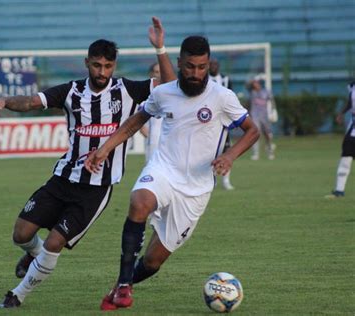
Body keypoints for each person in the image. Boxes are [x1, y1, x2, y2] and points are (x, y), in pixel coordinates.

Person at [0, 17, 175, 308]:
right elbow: (33, 101)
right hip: (63, 179)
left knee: (54, 243)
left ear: (114, 65)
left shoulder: (127, 90)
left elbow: (170, 86)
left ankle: (17, 294)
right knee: (21, 234)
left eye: (108, 66)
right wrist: (7, 100)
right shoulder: (71, 92)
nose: (102, 71)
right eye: (97, 65)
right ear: (87, 63)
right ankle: (33, 256)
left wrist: (160, 48)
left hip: (96, 189)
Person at [85, 35, 259, 311]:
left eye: (201, 67)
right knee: (139, 202)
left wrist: (229, 155)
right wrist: (105, 148)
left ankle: (123, 283)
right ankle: (123, 286)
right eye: (190, 66)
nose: (196, 73)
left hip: (196, 189)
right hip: (163, 170)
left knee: (153, 261)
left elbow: (253, 130)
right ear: (180, 63)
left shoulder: (222, 98)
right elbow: (135, 121)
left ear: (208, 65)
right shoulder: (164, 93)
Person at [325, 81, 355, 198]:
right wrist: (342, 113)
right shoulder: (352, 87)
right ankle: (339, 190)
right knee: (345, 158)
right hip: (352, 133)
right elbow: (350, 102)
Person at [209, 58, 235, 189]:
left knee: (226, 150)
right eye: (211, 64)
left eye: (215, 64)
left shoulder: (226, 79)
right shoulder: (204, 80)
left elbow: (231, 98)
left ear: (218, 66)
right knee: (209, 152)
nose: (213, 67)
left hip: (223, 123)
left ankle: (226, 181)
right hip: (208, 122)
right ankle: (210, 180)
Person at [247, 77, 276, 160]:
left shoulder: (266, 92)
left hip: (265, 117)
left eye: (256, 83)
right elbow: (247, 85)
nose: (255, 85)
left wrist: (273, 111)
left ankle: (270, 150)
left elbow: (272, 101)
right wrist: (252, 80)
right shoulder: (252, 92)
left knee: (267, 134)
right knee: (255, 134)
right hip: (255, 116)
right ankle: (255, 153)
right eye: (254, 83)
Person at [140, 62, 163, 162]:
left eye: (160, 72)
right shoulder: (145, 96)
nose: (158, 75)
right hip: (152, 142)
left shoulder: (171, 94)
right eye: (156, 72)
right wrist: (150, 136)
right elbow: (137, 119)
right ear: (151, 74)